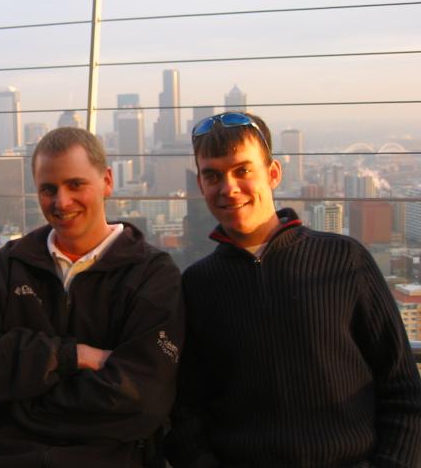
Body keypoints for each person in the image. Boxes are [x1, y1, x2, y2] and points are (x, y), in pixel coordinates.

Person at [165, 111, 421, 468]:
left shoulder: (345, 261)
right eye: (213, 175)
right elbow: (187, 409)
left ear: (273, 173)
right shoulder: (197, 284)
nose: (229, 188)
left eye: (243, 170)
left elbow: (402, 388)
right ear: (200, 186)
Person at [0, 126, 184, 468]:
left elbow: (141, 399)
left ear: (108, 181)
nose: (61, 202)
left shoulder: (151, 276)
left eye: (75, 185)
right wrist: (69, 357)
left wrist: (12, 405)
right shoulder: (8, 266)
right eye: (48, 189)